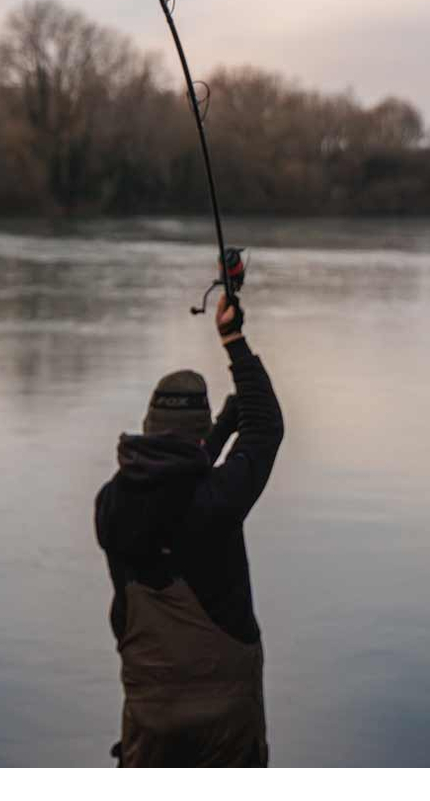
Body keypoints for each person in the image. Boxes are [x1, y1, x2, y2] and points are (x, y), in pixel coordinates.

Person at [94, 293, 284, 767]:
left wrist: (219, 430)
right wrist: (233, 340)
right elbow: (266, 430)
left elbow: (171, 482)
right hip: (224, 725)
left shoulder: (110, 505)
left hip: (150, 719)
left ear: (148, 427)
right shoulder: (217, 503)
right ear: (196, 436)